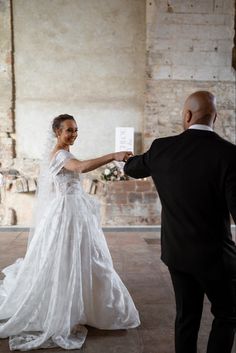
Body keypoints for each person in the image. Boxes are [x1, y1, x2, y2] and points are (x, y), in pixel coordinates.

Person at [0, 114, 140, 351]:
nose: (74, 134)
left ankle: (83, 304)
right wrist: (113, 155)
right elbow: (82, 167)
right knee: (67, 259)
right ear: (57, 132)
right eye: (69, 130)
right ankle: (65, 306)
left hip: (75, 211)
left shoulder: (61, 152)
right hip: (66, 213)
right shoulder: (61, 154)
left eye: (76, 130)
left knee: (83, 257)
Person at [124, 91, 236, 353]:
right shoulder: (229, 154)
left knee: (186, 317)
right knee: (227, 314)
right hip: (216, 257)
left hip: (177, 254)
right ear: (215, 118)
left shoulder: (162, 148)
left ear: (186, 116)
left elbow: (132, 169)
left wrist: (124, 159)